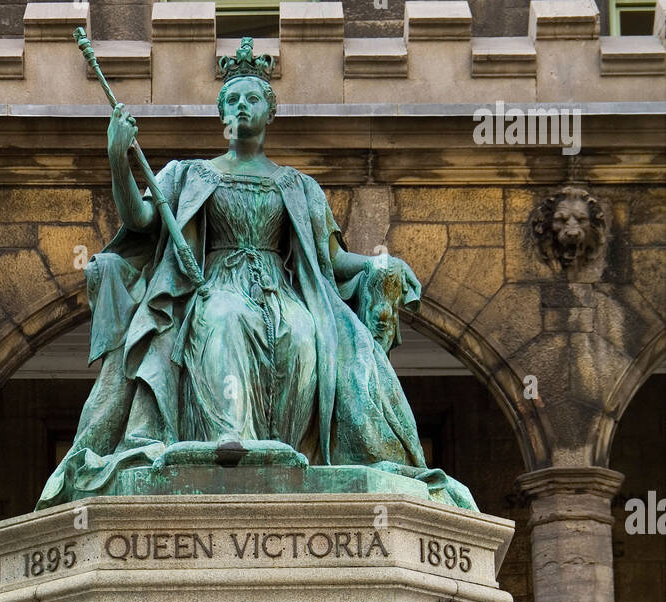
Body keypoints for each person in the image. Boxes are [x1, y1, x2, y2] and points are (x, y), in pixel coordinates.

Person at [37, 42, 476, 510]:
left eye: (251, 98)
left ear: (271, 111)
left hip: (280, 292)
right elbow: (141, 220)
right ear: (220, 113)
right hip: (214, 287)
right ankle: (232, 439)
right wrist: (117, 160)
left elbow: (331, 261)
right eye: (232, 100)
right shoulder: (190, 174)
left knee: (305, 335)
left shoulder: (298, 185)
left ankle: (287, 449)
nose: (241, 106)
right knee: (226, 320)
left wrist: (377, 264)